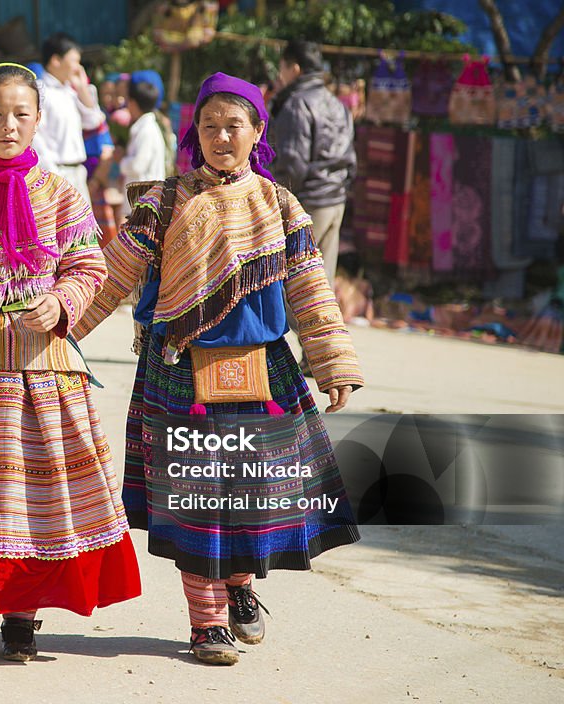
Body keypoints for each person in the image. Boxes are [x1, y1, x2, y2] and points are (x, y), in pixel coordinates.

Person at [74, 72, 364, 665]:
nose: (221, 135)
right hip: (178, 369)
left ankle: (239, 588)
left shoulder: (279, 203)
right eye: (209, 126)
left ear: (258, 131)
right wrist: (59, 331)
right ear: (194, 135)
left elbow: (311, 289)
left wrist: (333, 363)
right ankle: (206, 625)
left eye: (234, 125)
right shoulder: (164, 202)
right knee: (194, 495)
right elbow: (112, 277)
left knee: (248, 493)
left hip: (261, 371)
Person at [0, 63, 141, 667]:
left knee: (33, 498)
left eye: (20, 114)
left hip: (44, 368)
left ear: (39, 119)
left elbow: (90, 266)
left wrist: (62, 303)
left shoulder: (63, 192)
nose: (7, 125)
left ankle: (22, 615)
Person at [270, 40, 356, 288]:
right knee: (320, 285)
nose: (280, 76)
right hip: (335, 200)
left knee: (292, 284)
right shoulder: (336, 103)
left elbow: (293, 164)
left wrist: (278, 202)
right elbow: (351, 158)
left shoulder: (298, 103)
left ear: (294, 69)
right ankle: (320, 328)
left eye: (282, 68)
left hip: (309, 203)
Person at [31, 32, 106, 203]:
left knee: (84, 229)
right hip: (57, 173)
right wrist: (52, 174)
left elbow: (94, 121)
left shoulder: (70, 91)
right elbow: (36, 137)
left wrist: (82, 88)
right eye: (74, 61)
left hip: (77, 172)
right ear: (56, 60)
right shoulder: (40, 91)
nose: (78, 68)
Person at [117, 76, 166, 218]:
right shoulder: (145, 127)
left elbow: (138, 166)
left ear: (133, 103)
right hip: (143, 200)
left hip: (144, 201)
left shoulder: (147, 130)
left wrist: (121, 160)